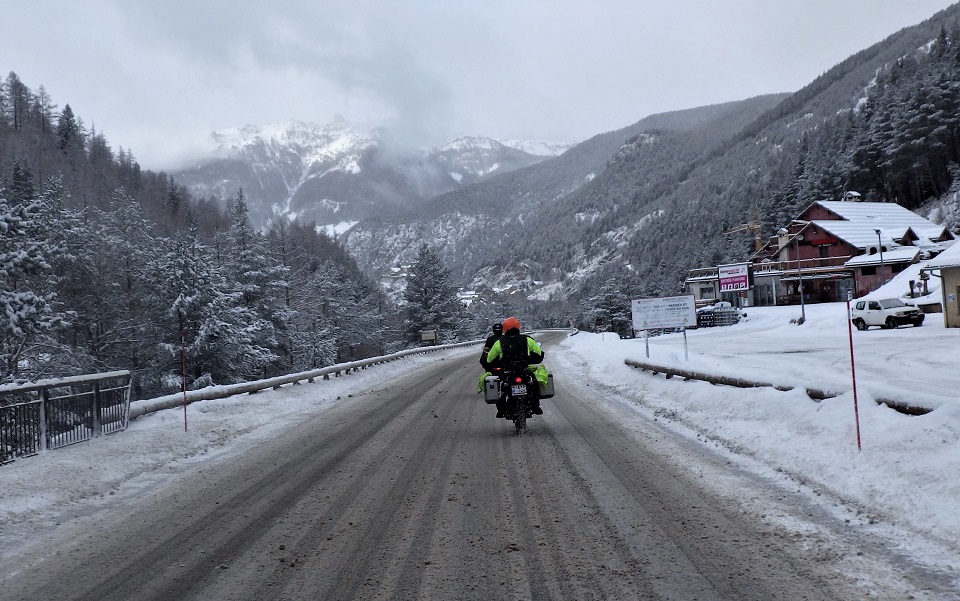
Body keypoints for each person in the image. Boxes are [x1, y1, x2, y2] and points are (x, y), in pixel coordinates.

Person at [485, 317, 546, 417]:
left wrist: (496, 363)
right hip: (523, 370)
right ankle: (535, 406)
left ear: (504, 328)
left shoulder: (499, 342)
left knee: (500, 387)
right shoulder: (527, 339)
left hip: (507, 372)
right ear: (518, 327)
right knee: (534, 382)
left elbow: (489, 359)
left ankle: (501, 410)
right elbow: (538, 353)